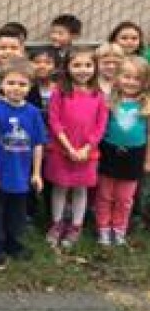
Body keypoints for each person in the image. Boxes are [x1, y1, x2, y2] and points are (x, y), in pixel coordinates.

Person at [0, 57, 47, 268]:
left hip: (21, 177)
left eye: (22, 84)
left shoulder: (33, 113)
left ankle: (13, 244)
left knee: (17, 215)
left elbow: (38, 144)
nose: (16, 88)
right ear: (2, 84)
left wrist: (36, 173)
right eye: (11, 83)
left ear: (30, 86)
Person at [45, 48, 108, 248]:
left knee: (81, 189)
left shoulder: (99, 95)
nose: (83, 70)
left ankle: (76, 225)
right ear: (67, 67)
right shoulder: (60, 92)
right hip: (61, 150)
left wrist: (86, 148)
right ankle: (57, 223)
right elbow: (54, 121)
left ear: (95, 68)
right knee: (60, 187)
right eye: (77, 65)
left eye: (88, 65)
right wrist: (69, 147)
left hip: (87, 153)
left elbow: (101, 125)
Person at [95, 56, 150, 246]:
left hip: (134, 156)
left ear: (145, 82)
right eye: (126, 77)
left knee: (124, 198)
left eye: (137, 79)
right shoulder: (109, 101)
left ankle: (118, 228)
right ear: (118, 77)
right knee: (104, 195)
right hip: (109, 153)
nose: (131, 82)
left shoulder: (146, 105)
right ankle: (103, 227)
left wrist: (147, 160)